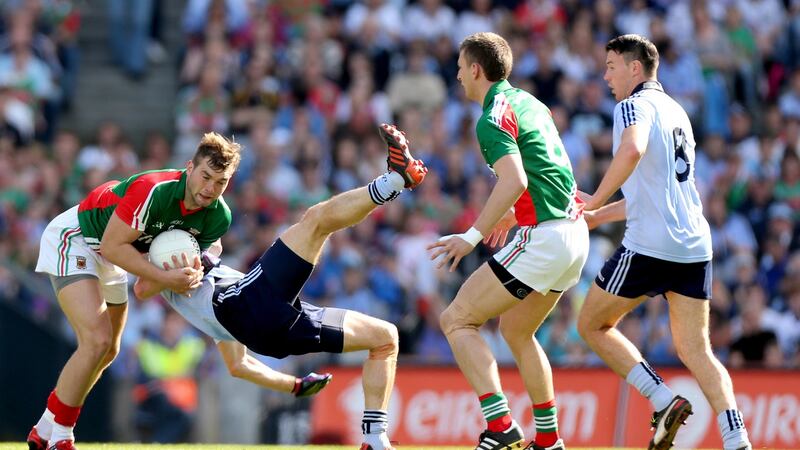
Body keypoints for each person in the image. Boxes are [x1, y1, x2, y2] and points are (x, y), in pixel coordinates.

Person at [133, 124, 427, 450]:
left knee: (386, 338)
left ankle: (375, 440)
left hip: (269, 333)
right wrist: (174, 271)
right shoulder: (170, 267)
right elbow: (142, 288)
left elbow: (238, 365)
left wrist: (294, 386)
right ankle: (396, 179)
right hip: (249, 304)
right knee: (316, 220)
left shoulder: (209, 307)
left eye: (219, 182)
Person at [576, 34, 752, 450]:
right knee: (697, 350)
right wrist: (600, 215)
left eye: (612, 67)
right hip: (693, 246)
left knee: (591, 325)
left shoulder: (631, 105)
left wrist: (596, 196)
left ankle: (661, 397)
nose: (606, 76)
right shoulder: (677, 111)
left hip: (650, 245)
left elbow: (632, 150)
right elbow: (658, 191)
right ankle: (737, 438)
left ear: (635, 69)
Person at [28, 132, 241, 450]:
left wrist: (191, 273)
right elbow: (114, 246)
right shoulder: (154, 189)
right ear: (189, 168)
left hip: (114, 257)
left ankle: (46, 426)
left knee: (109, 350)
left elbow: (143, 289)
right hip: (76, 237)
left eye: (220, 182)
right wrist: (166, 278)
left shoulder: (218, 217)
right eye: (206, 176)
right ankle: (61, 436)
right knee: (96, 340)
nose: (210, 188)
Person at [428, 32, 589, 450]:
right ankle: (549, 439)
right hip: (574, 235)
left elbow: (516, 178)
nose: (459, 75)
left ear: (476, 69)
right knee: (517, 331)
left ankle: (500, 427)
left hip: (547, 236)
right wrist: (510, 213)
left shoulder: (490, 116)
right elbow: (546, 175)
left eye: (461, 67)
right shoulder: (529, 103)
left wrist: (472, 234)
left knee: (457, 318)